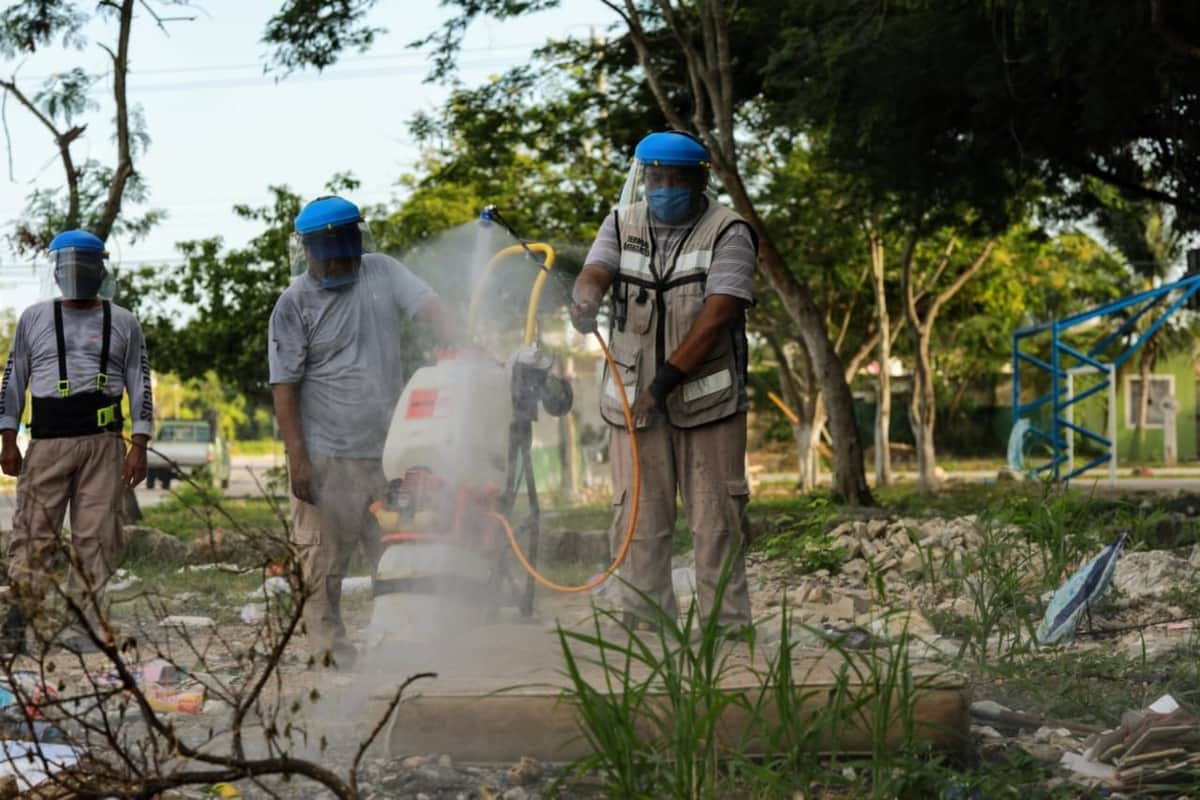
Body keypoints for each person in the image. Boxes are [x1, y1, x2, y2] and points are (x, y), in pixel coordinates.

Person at [570, 131, 757, 631]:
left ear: (699, 182)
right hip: (632, 405)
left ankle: (728, 628)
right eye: (656, 178)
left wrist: (663, 386)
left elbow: (717, 317)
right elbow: (595, 271)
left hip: (708, 404)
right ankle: (645, 623)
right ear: (644, 178)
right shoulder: (620, 221)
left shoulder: (729, 231)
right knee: (639, 522)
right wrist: (585, 298)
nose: (664, 188)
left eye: (677, 179)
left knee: (716, 520)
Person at [269, 195, 454, 668]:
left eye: (344, 255)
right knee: (322, 563)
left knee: (396, 552)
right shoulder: (292, 305)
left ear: (357, 242)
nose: (336, 266)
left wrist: (462, 346)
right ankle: (328, 652)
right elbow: (284, 387)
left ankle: (398, 645)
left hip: (389, 452)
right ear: (306, 252)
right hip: (326, 455)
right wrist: (298, 459)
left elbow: (432, 308)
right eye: (325, 259)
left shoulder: (383, 272)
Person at [0, 229, 153, 654]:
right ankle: (18, 620)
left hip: (104, 444)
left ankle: (82, 627)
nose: (79, 275)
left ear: (101, 269)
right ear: (56, 271)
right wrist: (7, 437)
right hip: (48, 443)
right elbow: (14, 379)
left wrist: (139, 443)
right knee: (34, 534)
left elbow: (141, 384)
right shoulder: (34, 318)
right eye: (71, 268)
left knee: (97, 537)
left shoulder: (123, 321)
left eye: (87, 267)